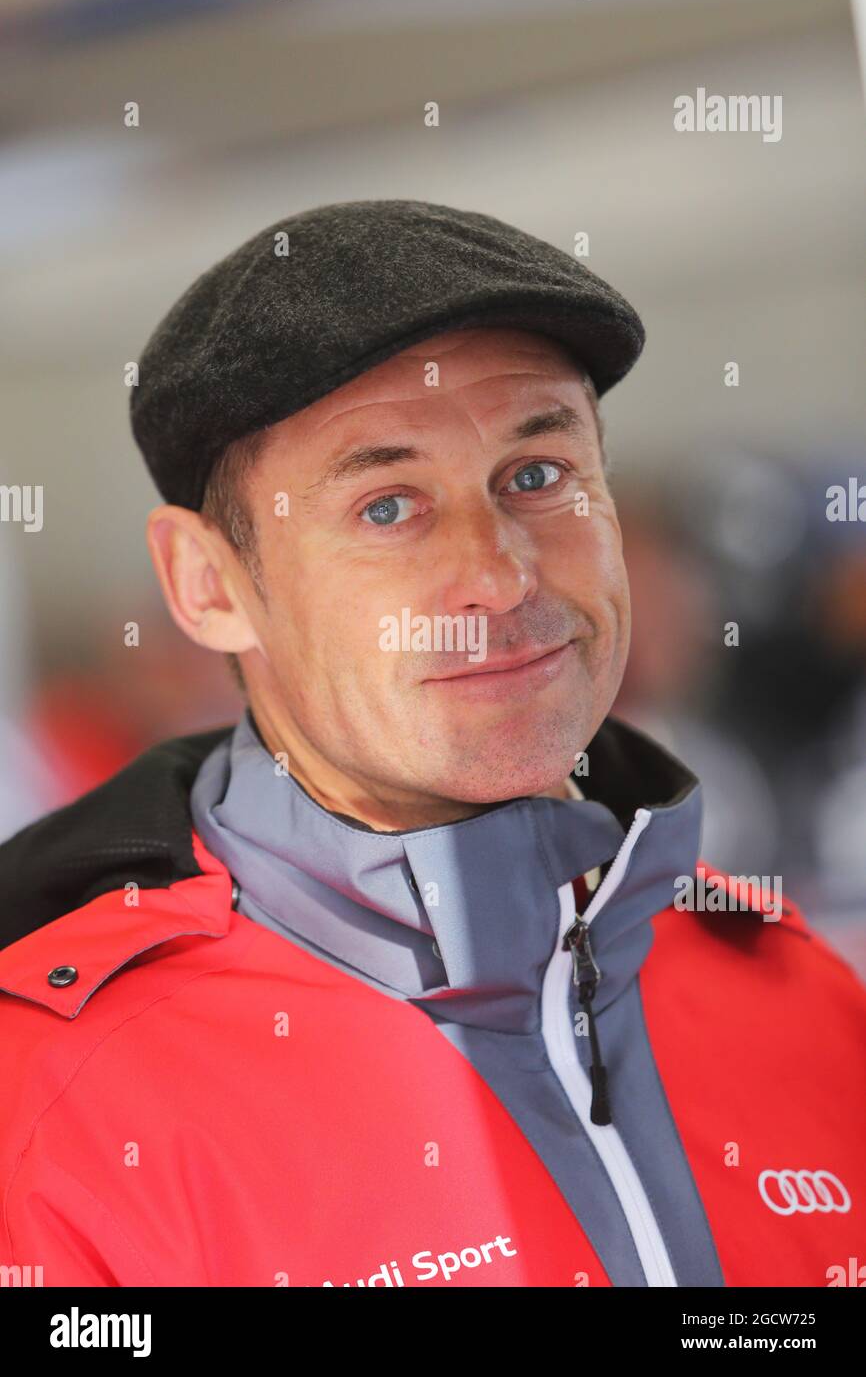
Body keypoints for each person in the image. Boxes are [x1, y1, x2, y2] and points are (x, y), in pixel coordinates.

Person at [0, 199, 863, 1289]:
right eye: (387, 507)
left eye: (537, 476)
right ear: (208, 585)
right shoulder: (51, 1104)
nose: (501, 577)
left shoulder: (800, 997)